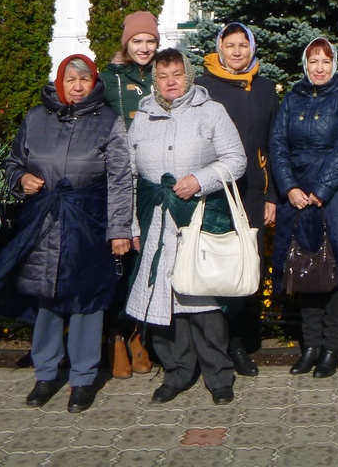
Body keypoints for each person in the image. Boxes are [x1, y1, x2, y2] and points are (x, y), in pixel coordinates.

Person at [0, 55, 132, 414]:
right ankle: (45, 374)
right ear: (59, 81)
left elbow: (121, 180)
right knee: (46, 296)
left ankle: (83, 379)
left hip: (89, 221)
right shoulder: (34, 117)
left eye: (84, 80)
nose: (77, 86)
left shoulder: (108, 121)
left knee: (86, 300)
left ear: (94, 84)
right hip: (41, 222)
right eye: (70, 79)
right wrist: (20, 180)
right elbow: (14, 162)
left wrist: (120, 229)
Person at [126, 48, 246, 406]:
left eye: (176, 74)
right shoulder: (142, 116)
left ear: (188, 75)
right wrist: (131, 224)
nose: (170, 82)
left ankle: (218, 375)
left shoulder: (210, 112)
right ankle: (176, 372)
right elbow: (130, 176)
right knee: (164, 299)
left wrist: (199, 179)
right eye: (163, 76)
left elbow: (236, 160)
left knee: (202, 297)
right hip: (156, 220)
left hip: (199, 218)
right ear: (154, 81)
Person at [270, 37, 338, 378]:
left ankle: (332, 347)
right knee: (304, 264)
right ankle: (310, 346)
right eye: (313, 62)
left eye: (325, 61)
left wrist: (321, 189)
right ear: (305, 65)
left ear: (333, 64)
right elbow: (277, 143)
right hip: (296, 193)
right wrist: (290, 187)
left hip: (333, 196)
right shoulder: (291, 99)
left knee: (333, 268)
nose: (319, 68)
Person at [194, 22, 278, 377]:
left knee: (247, 269)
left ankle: (240, 344)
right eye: (230, 45)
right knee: (214, 268)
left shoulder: (264, 90)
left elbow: (274, 145)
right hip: (214, 192)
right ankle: (212, 347)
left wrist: (271, 194)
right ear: (220, 49)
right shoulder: (202, 87)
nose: (238, 51)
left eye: (244, 44)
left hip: (252, 193)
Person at [99, 10, 159, 379]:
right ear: (126, 43)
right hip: (119, 184)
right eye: (137, 41)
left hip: (154, 183)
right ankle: (115, 336)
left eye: (150, 41)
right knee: (118, 264)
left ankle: (140, 334)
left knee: (146, 263)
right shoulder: (107, 81)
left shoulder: (162, 75)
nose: (144, 48)